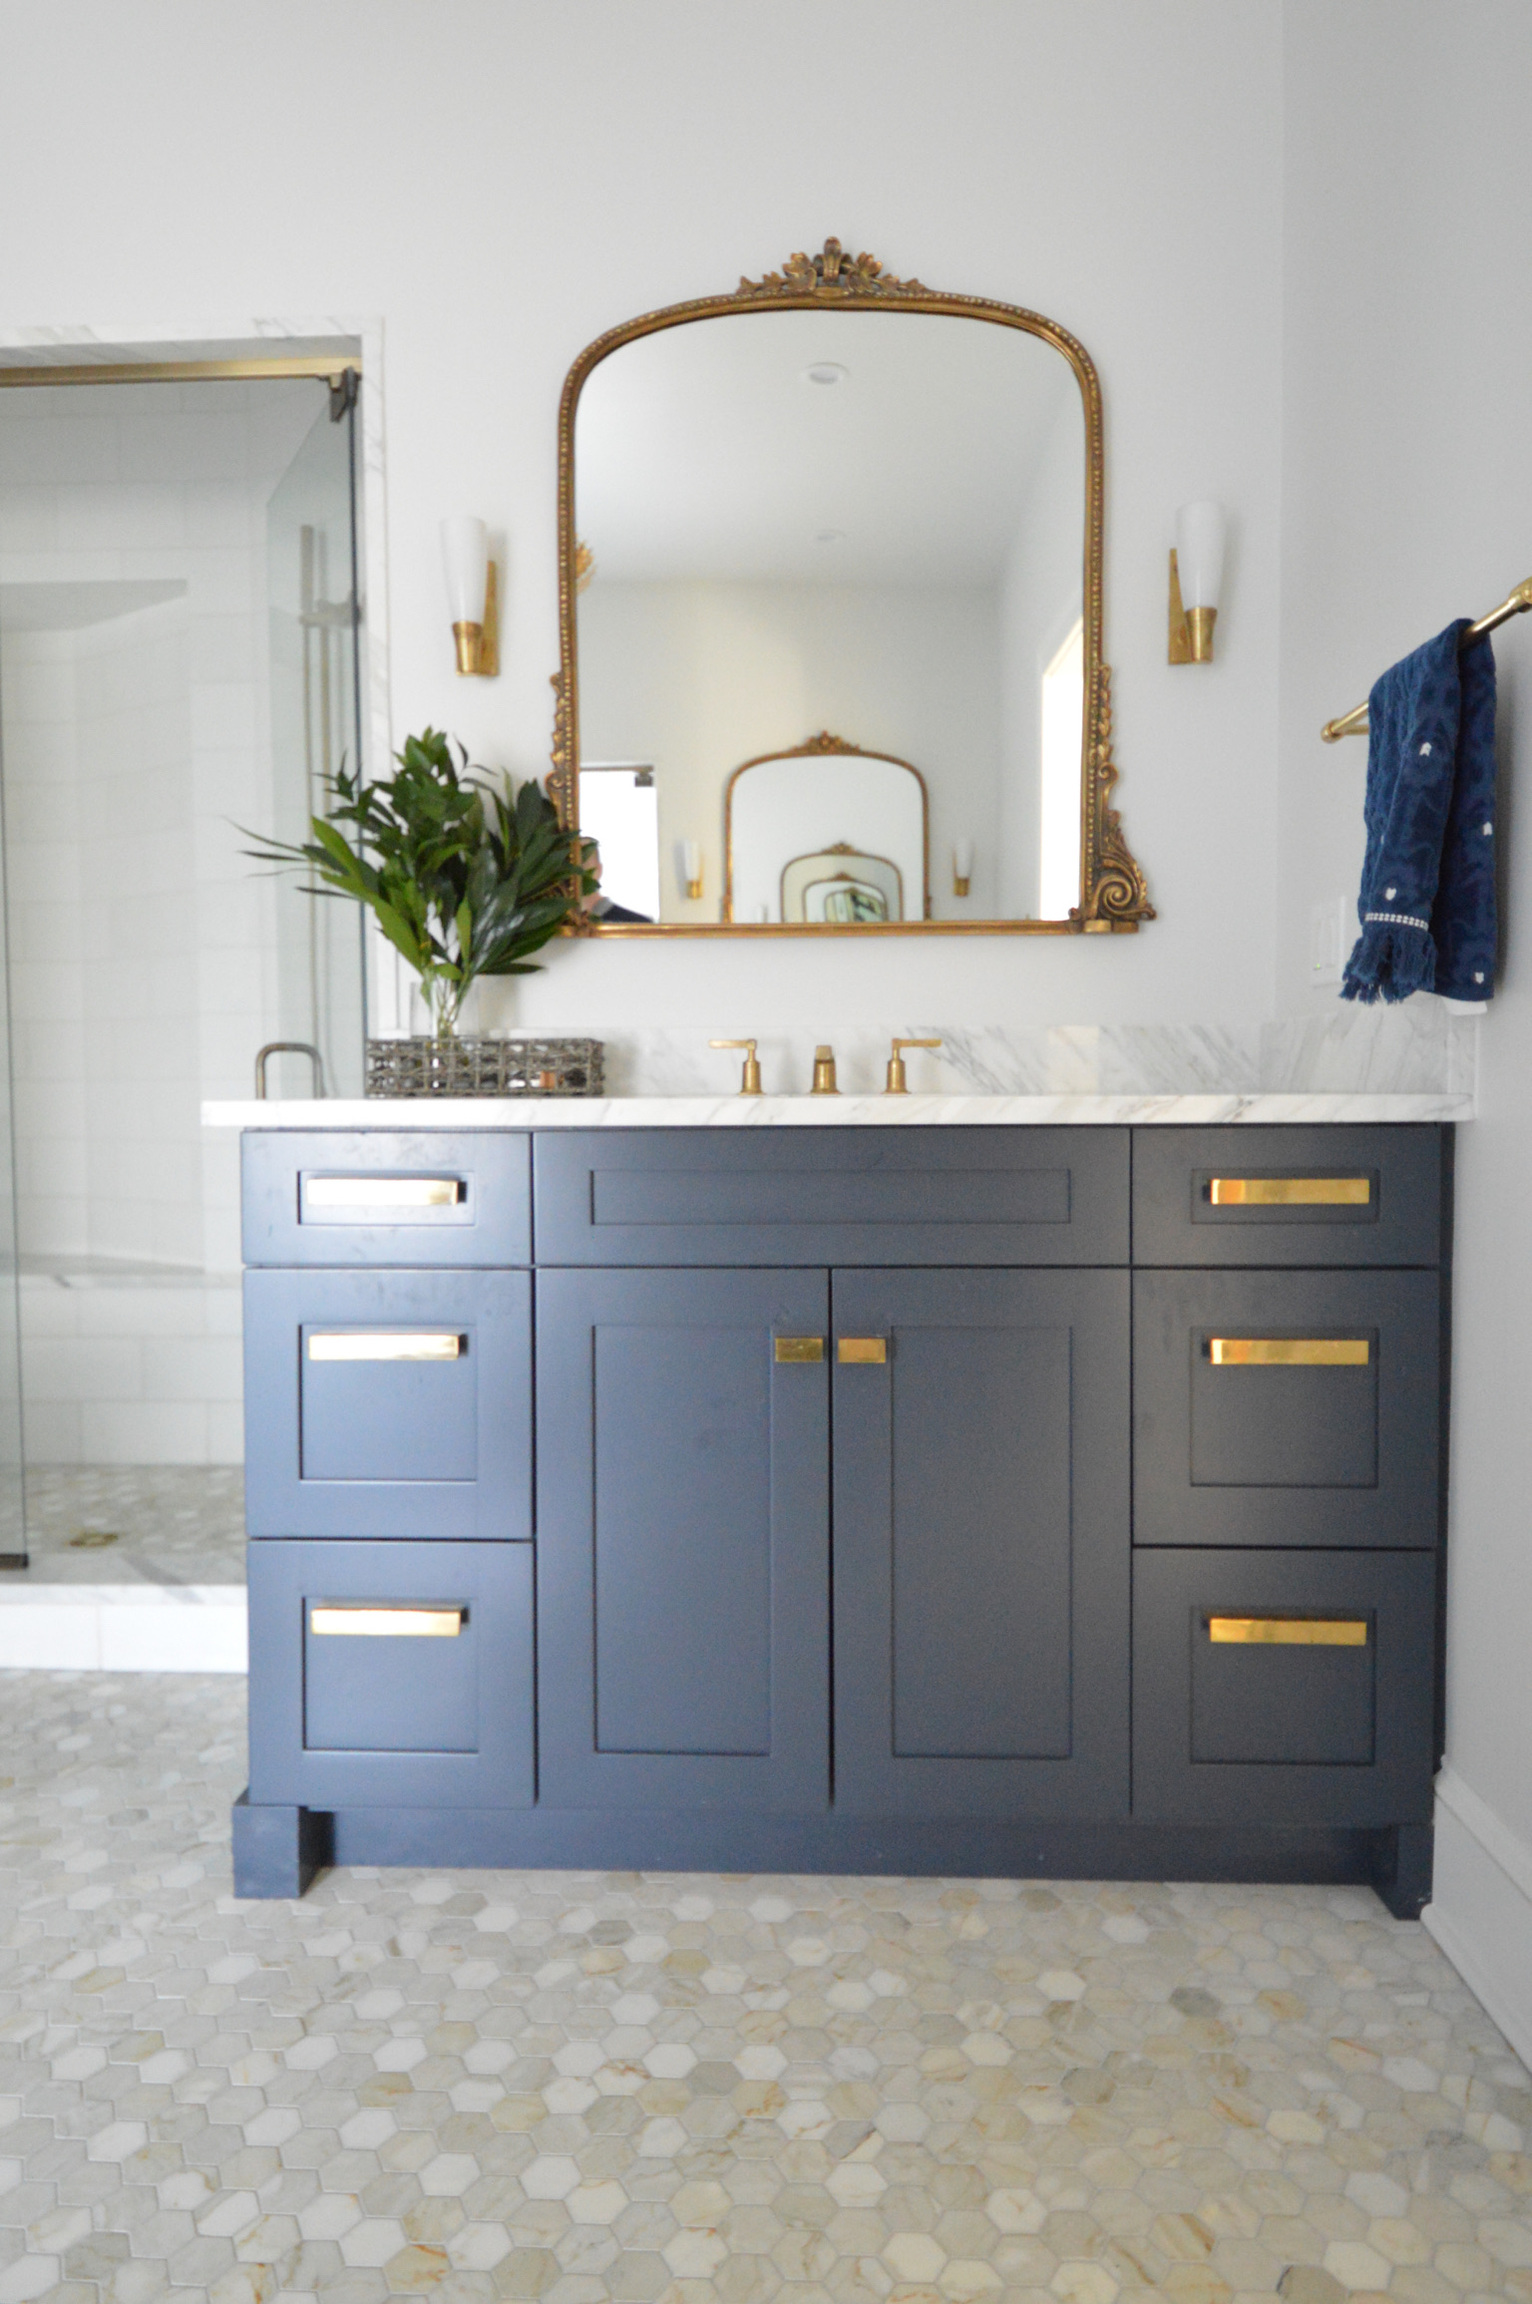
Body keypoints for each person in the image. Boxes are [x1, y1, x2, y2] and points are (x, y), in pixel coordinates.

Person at [577, 839, 652, 924]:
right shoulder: (563, 925)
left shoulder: (638, 924)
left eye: (584, 864)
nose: (575, 874)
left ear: (598, 870)